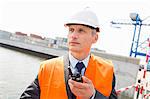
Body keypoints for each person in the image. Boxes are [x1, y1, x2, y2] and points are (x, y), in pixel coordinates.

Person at [20, 8, 117, 99]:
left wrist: (93, 96)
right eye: (71, 30)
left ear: (95, 38)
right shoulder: (47, 68)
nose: (73, 36)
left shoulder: (107, 71)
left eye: (81, 30)